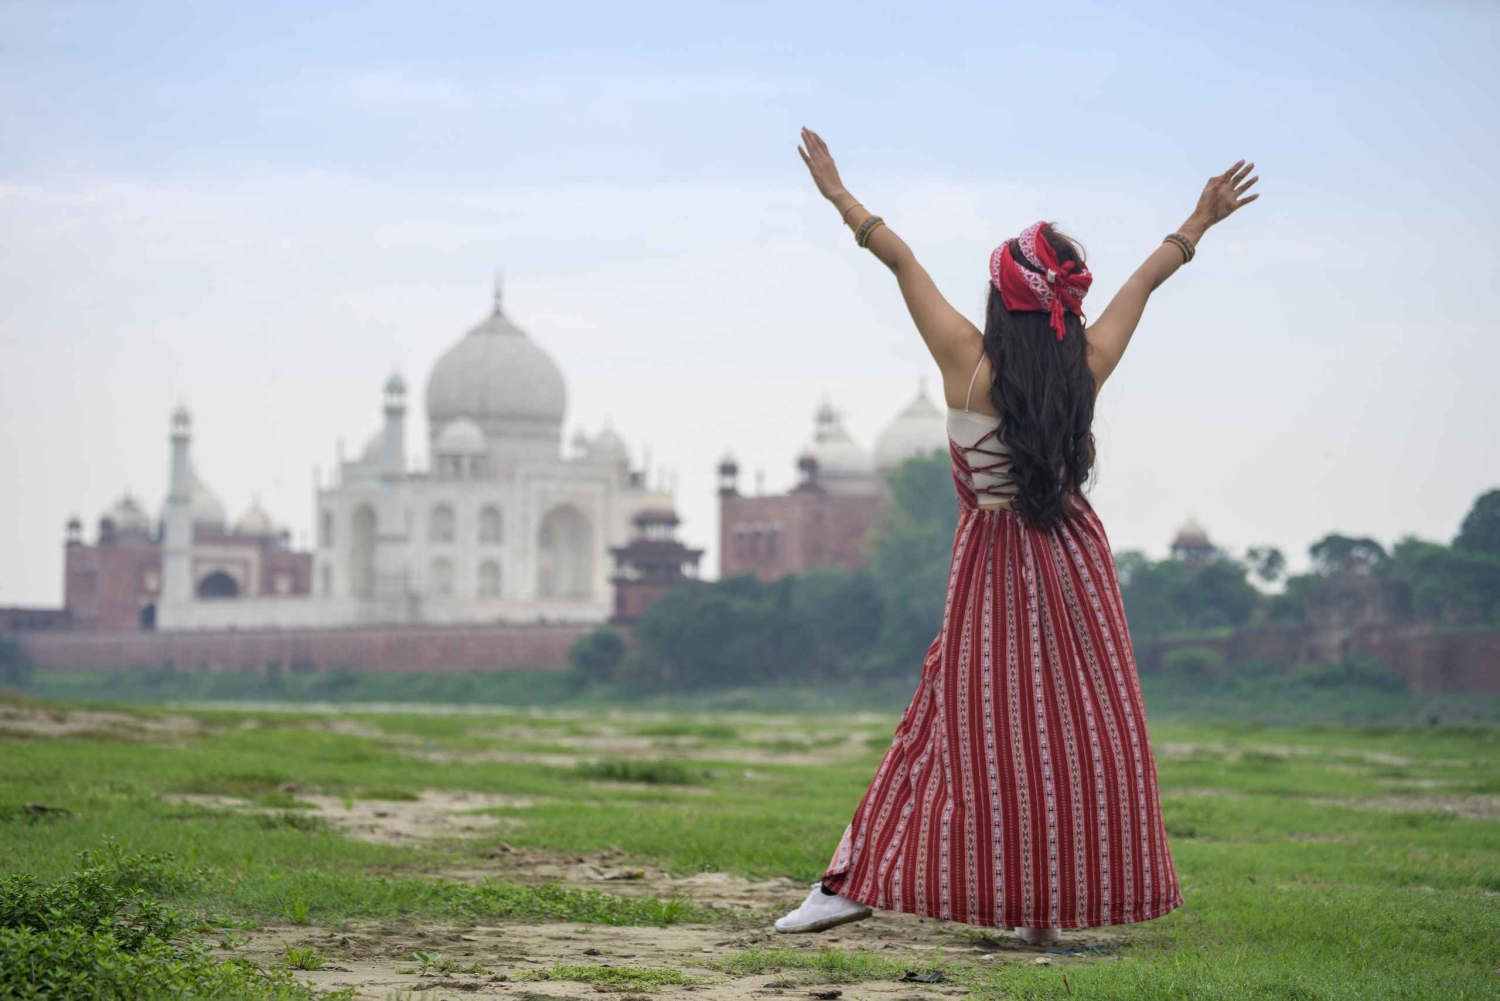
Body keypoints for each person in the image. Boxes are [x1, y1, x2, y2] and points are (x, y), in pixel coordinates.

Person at [776, 128, 1259, 943]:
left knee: (960, 728)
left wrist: (838, 195)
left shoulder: (967, 362)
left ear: (1002, 298)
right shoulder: (1086, 365)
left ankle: (850, 883)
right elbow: (1145, 280)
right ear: (1065, 303)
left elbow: (900, 260)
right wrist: (1199, 220)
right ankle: (1041, 915)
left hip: (993, 565)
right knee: (1074, 730)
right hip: (1075, 562)